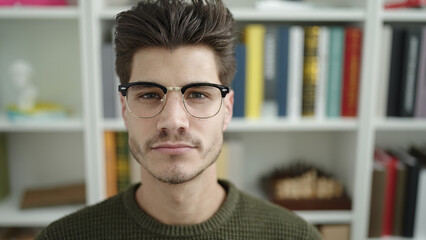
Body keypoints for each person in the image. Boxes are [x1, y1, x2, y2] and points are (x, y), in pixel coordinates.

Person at [36, 0, 322, 239]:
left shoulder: (297, 237)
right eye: (149, 94)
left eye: (197, 94)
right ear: (124, 109)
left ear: (227, 109)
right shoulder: (61, 237)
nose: (173, 121)